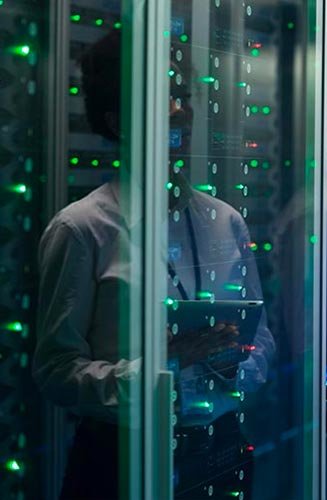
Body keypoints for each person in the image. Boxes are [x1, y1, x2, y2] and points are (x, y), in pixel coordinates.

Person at [32, 30, 273, 499]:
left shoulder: (225, 221)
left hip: (220, 446)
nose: (181, 109)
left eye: (181, 94)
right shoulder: (83, 228)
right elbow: (57, 372)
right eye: (164, 96)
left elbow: (261, 338)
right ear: (119, 121)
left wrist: (232, 363)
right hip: (121, 457)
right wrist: (163, 369)